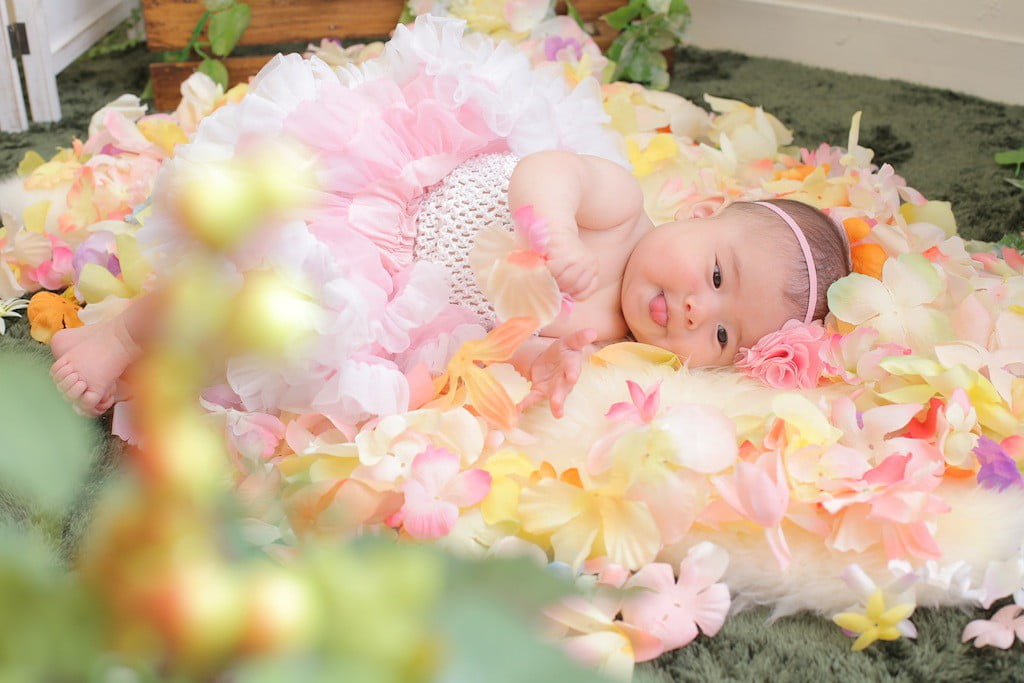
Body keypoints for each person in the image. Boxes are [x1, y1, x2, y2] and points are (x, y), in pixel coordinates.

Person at [47, 16, 851, 422]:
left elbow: (508, 334)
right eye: (717, 274)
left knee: (270, 317)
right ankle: (120, 332)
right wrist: (555, 231)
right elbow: (544, 171)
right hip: (392, 202)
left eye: (722, 335)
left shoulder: (613, 334)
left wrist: (545, 361)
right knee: (250, 254)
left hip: (401, 287)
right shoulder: (618, 208)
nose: (697, 309)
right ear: (703, 216)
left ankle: (161, 352)